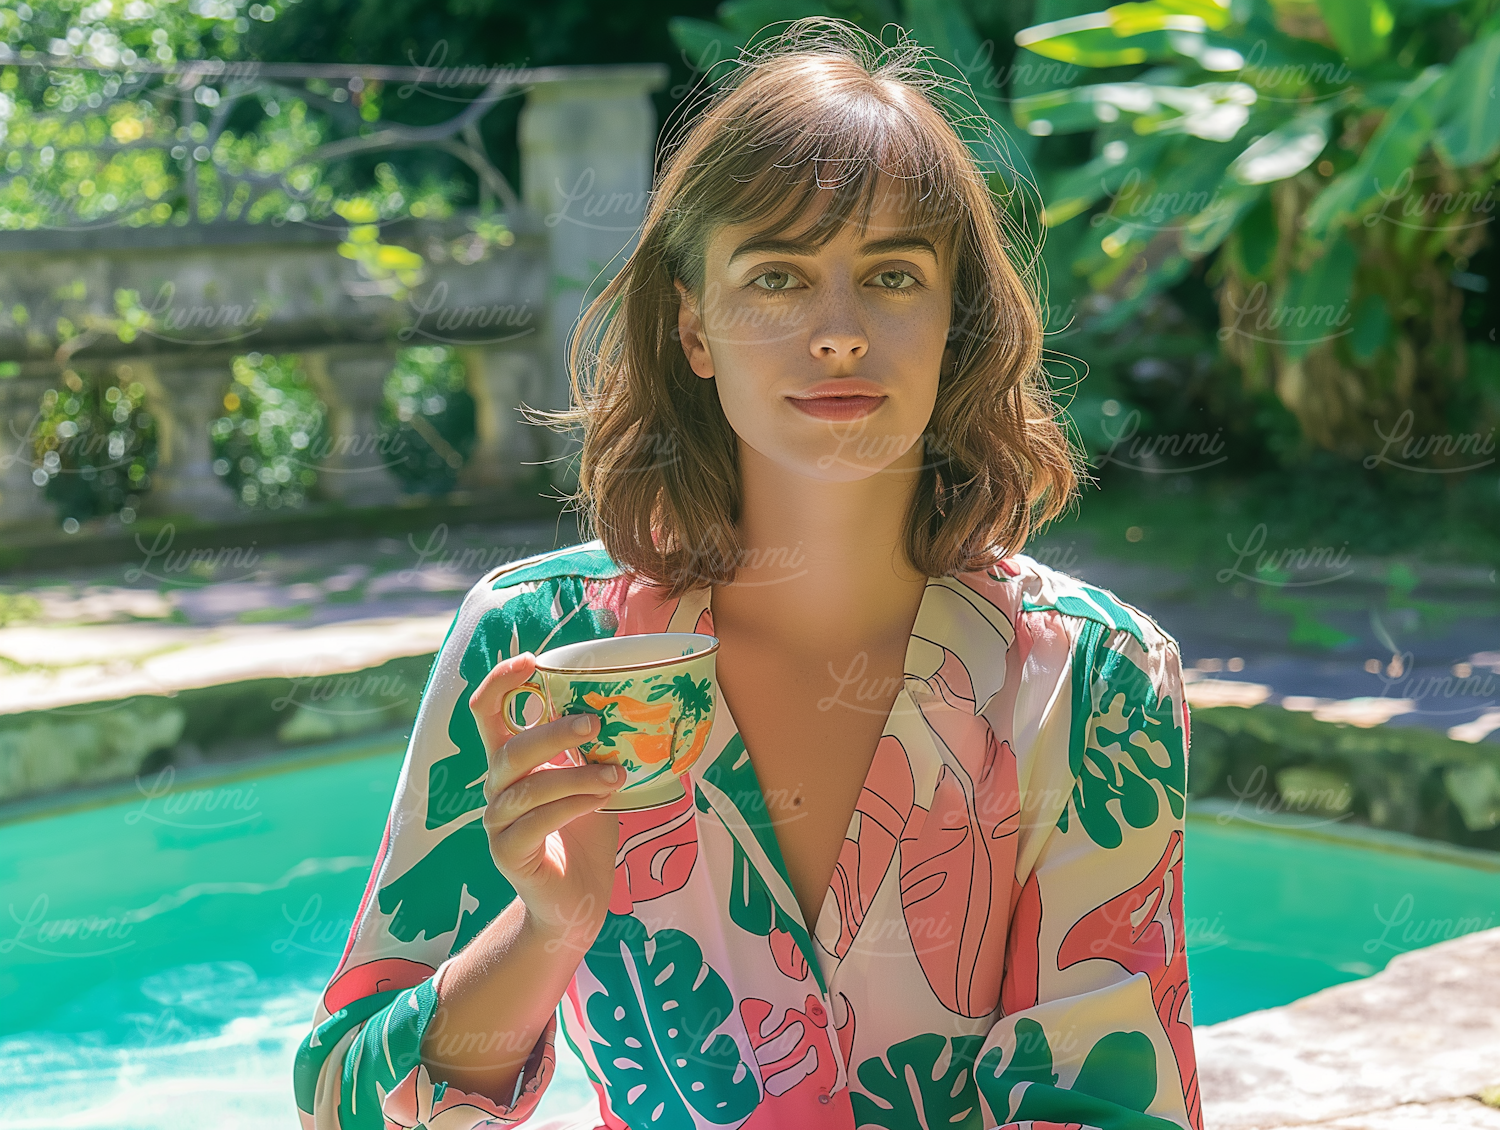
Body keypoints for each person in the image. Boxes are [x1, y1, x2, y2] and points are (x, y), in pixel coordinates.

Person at [294, 17, 1201, 1130]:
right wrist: (543, 931)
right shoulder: (535, 651)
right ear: (693, 326)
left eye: (892, 274)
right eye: (777, 275)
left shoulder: (1090, 679)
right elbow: (342, 1106)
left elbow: (1110, 1107)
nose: (837, 331)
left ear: (954, 319)